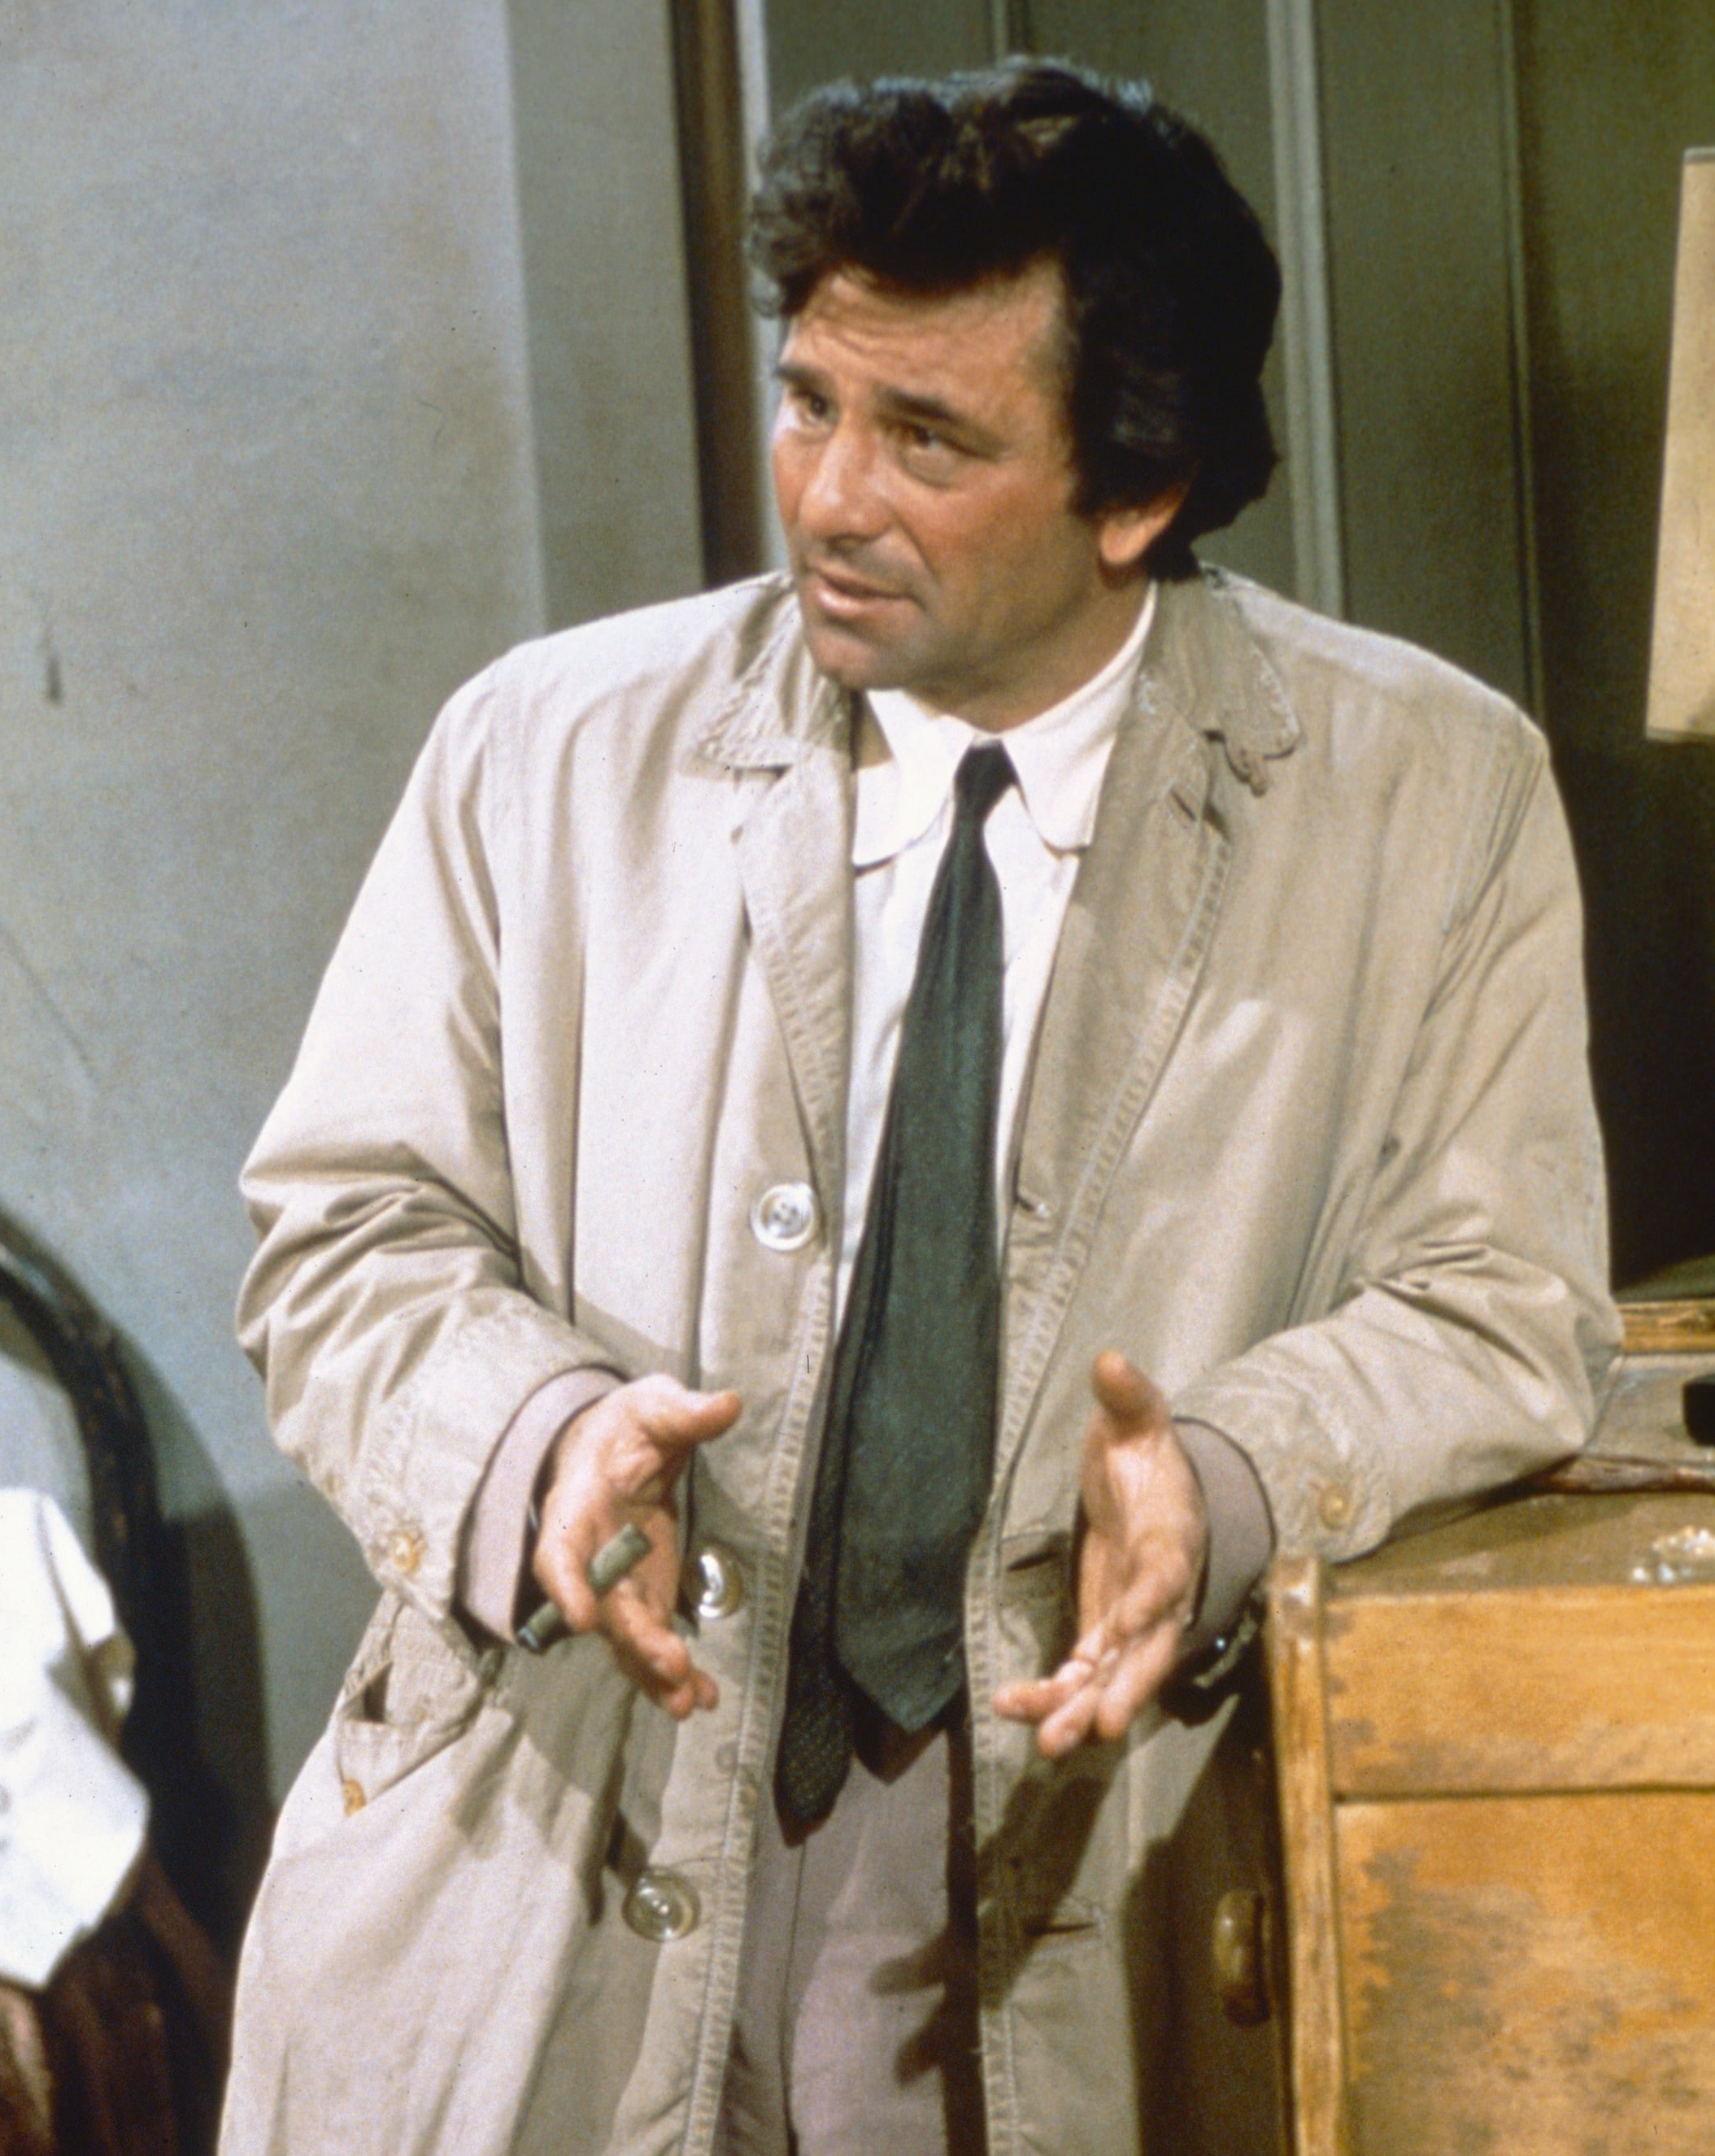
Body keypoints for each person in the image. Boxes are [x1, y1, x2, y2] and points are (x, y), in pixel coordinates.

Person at [218, 59, 1617, 2156]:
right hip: (570, 1810)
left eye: (928, 438)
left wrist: (1230, 1476)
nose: (827, 496)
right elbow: (348, 1229)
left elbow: (1498, 1301)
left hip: (1088, 1839)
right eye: (810, 403)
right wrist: (539, 1438)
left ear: (1135, 489)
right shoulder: (545, 748)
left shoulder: (1430, 789)